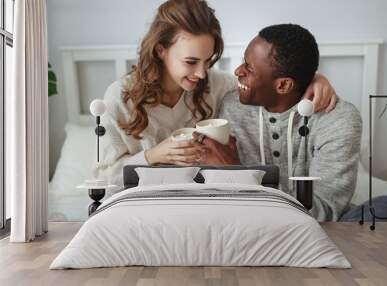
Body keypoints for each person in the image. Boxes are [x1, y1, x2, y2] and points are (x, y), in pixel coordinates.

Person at [95, 0, 337, 186]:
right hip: (142, 206)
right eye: (190, 62)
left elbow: (267, 82)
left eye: (208, 61)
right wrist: (153, 155)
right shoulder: (120, 97)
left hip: (202, 203)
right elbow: (105, 179)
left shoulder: (217, 85)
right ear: (161, 51)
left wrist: (313, 77)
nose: (201, 74)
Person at [194, 24, 362, 221]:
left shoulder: (339, 119)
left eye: (249, 67)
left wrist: (236, 173)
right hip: (247, 220)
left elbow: (325, 212)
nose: (238, 71)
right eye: (243, 62)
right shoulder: (233, 105)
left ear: (283, 85)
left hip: (316, 232)